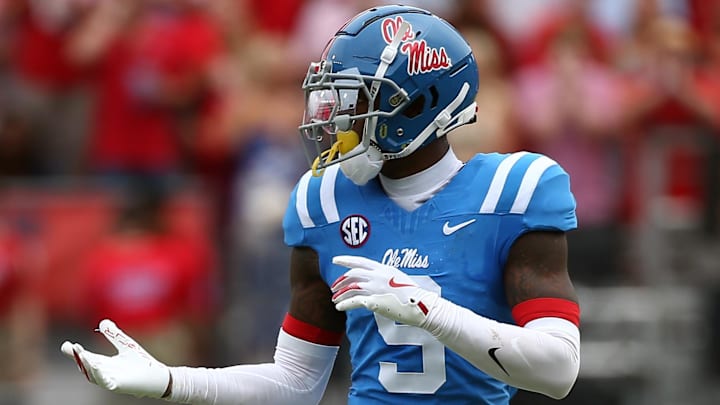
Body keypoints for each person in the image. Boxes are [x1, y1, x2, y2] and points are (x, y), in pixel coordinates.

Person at [60, 5, 581, 404]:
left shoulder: (512, 191)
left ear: (417, 103)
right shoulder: (325, 202)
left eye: (355, 105)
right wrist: (174, 383)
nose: (335, 124)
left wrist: (428, 311)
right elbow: (297, 380)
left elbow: (557, 371)